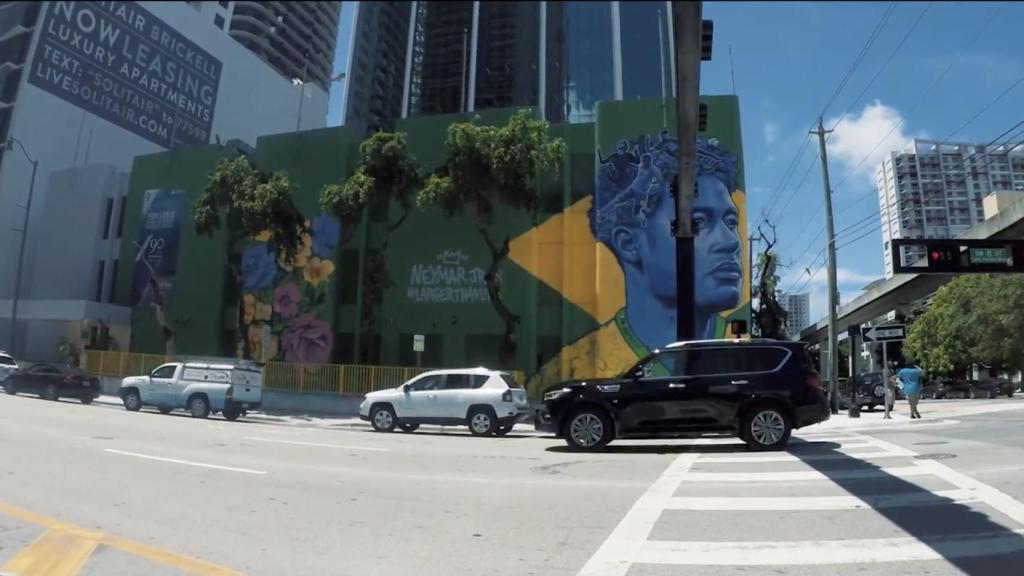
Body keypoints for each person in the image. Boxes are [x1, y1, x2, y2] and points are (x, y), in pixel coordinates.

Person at [525, 136, 744, 393]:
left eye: (730, 222)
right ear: (628, 243)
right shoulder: (562, 374)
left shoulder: (750, 357)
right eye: (698, 222)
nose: (731, 242)